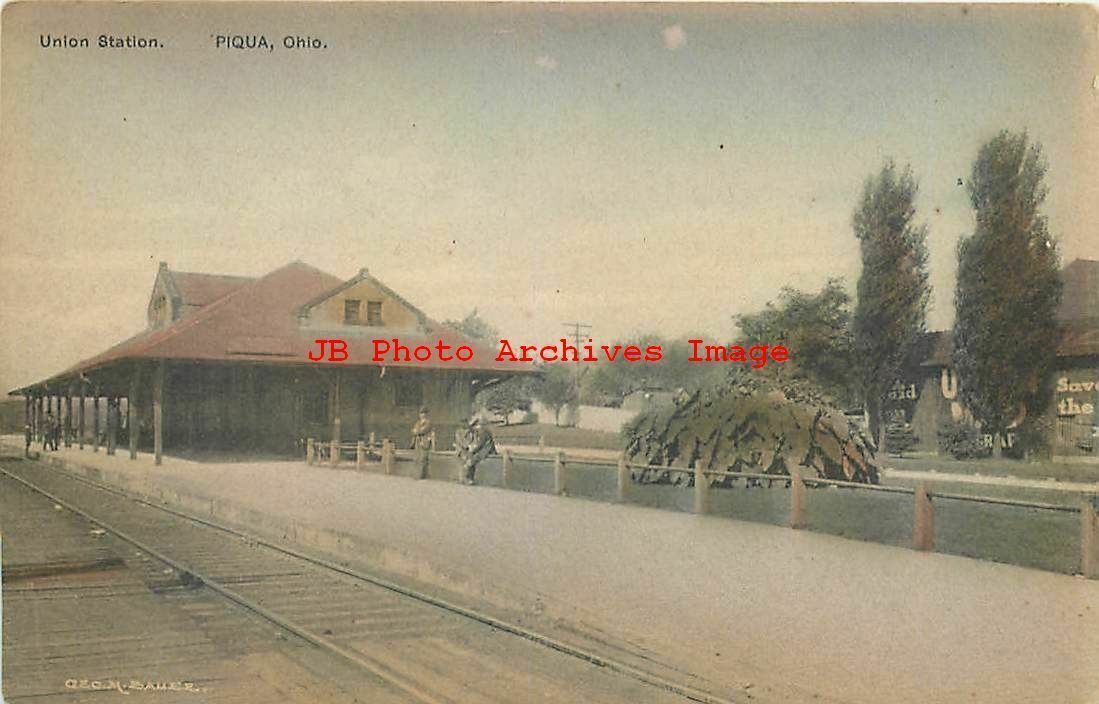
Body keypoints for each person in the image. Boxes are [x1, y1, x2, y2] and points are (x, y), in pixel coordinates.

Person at [457, 416, 495, 485]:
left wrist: (472, 449)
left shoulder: (483, 432)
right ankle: (467, 477)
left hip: (486, 450)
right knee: (469, 457)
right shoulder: (478, 431)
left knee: (472, 459)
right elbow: (473, 442)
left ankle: (469, 478)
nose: (474, 428)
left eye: (475, 425)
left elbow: (480, 444)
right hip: (481, 449)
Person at [410, 406, 433, 479]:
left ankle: (423, 475)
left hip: (425, 442)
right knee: (417, 458)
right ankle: (417, 475)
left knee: (423, 459)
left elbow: (423, 430)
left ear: (426, 414)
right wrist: (416, 431)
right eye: (421, 413)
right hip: (418, 442)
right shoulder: (418, 422)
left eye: (424, 413)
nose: (422, 415)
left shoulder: (428, 422)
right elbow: (413, 431)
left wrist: (417, 431)